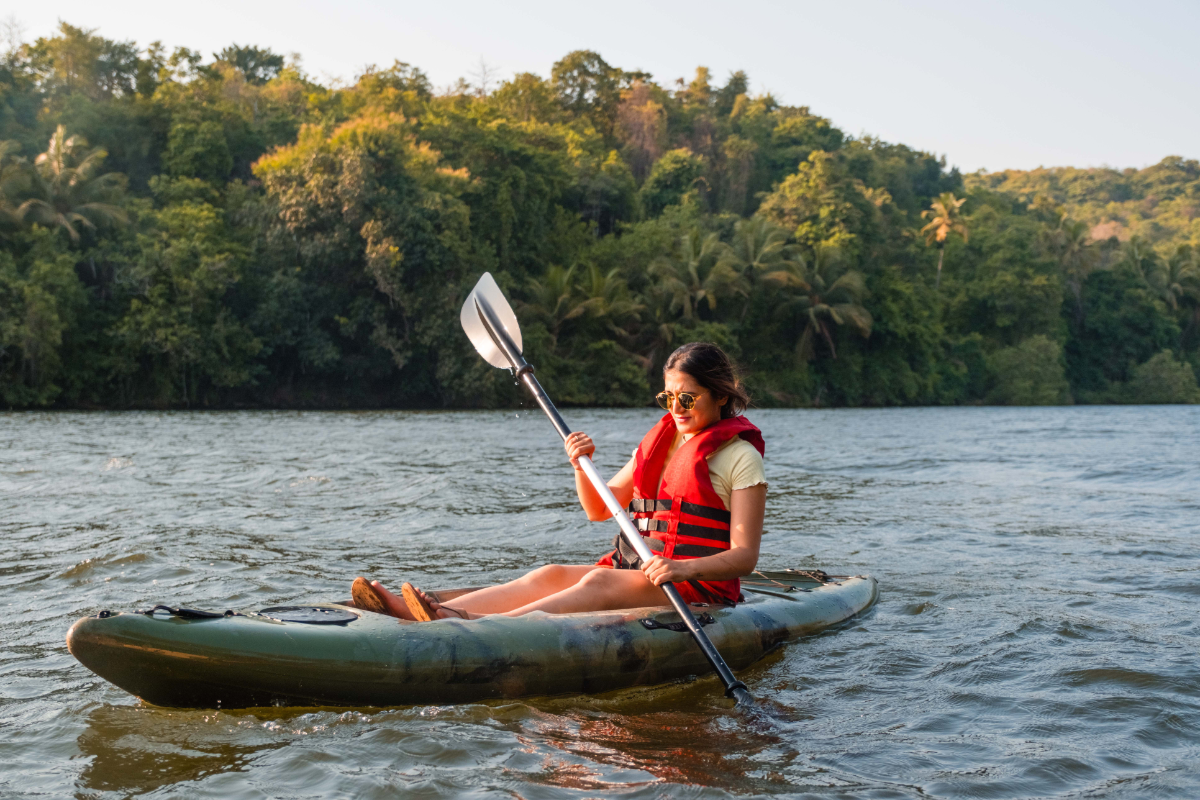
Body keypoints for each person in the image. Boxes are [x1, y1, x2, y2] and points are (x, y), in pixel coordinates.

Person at [351, 342, 767, 621]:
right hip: (642, 572)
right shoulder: (661, 442)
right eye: (668, 398)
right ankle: (429, 612)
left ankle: (466, 624)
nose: (676, 407)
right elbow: (598, 509)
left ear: (722, 396)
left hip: (696, 588)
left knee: (598, 581)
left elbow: (744, 557)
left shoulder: (739, 457)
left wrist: (680, 568)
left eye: (688, 398)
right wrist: (579, 465)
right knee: (549, 573)